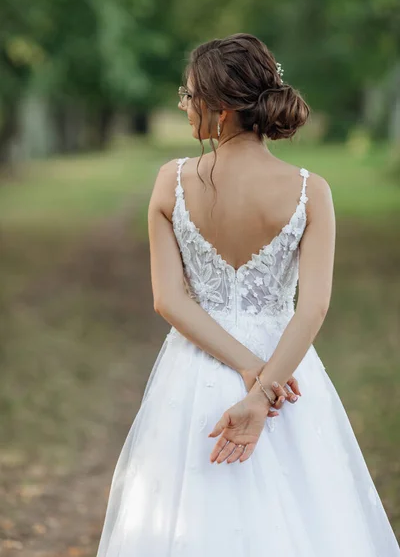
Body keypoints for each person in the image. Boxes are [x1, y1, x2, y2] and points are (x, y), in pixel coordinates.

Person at [96, 33, 400, 556]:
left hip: (195, 365)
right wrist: (264, 388)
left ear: (219, 109)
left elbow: (169, 301)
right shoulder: (312, 190)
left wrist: (249, 373)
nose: (182, 104)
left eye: (188, 94)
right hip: (287, 371)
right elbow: (314, 306)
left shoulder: (170, 181)